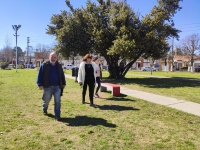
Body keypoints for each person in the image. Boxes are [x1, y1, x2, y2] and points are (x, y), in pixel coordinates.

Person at [36, 52, 66, 121]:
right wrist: (40, 84)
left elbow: (62, 74)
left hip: (57, 86)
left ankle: (57, 115)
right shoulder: (44, 65)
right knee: (46, 100)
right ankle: (44, 109)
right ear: (49, 57)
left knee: (57, 101)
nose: (53, 58)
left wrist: (63, 83)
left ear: (57, 58)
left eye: (55, 57)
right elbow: (40, 75)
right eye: (52, 57)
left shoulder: (59, 65)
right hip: (47, 86)